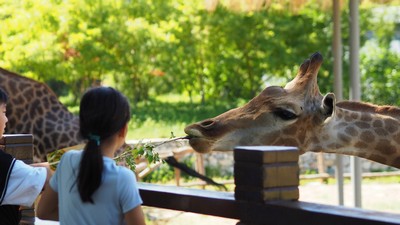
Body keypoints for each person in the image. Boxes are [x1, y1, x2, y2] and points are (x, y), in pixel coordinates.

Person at [37, 86, 146, 225]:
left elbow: (43, 212)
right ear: (123, 130)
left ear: (83, 126)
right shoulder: (123, 178)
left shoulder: (67, 161)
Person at [0, 88, 52, 225]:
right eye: (3, 112)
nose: (6, 119)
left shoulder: (7, 169)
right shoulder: (3, 164)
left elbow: (19, 173)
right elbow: (46, 179)